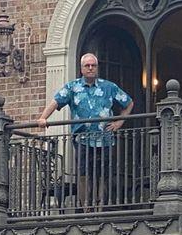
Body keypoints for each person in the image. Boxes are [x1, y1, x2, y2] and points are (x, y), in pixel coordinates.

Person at [37, 53, 134, 209]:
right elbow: (56, 101)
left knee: (103, 173)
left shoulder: (109, 87)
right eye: (87, 66)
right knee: (84, 173)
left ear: (97, 67)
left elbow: (128, 103)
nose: (90, 68)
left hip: (105, 138)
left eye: (93, 65)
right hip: (82, 139)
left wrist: (119, 122)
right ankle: (86, 207)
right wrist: (43, 118)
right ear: (81, 68)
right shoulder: (72, 87)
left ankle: (100, 206)